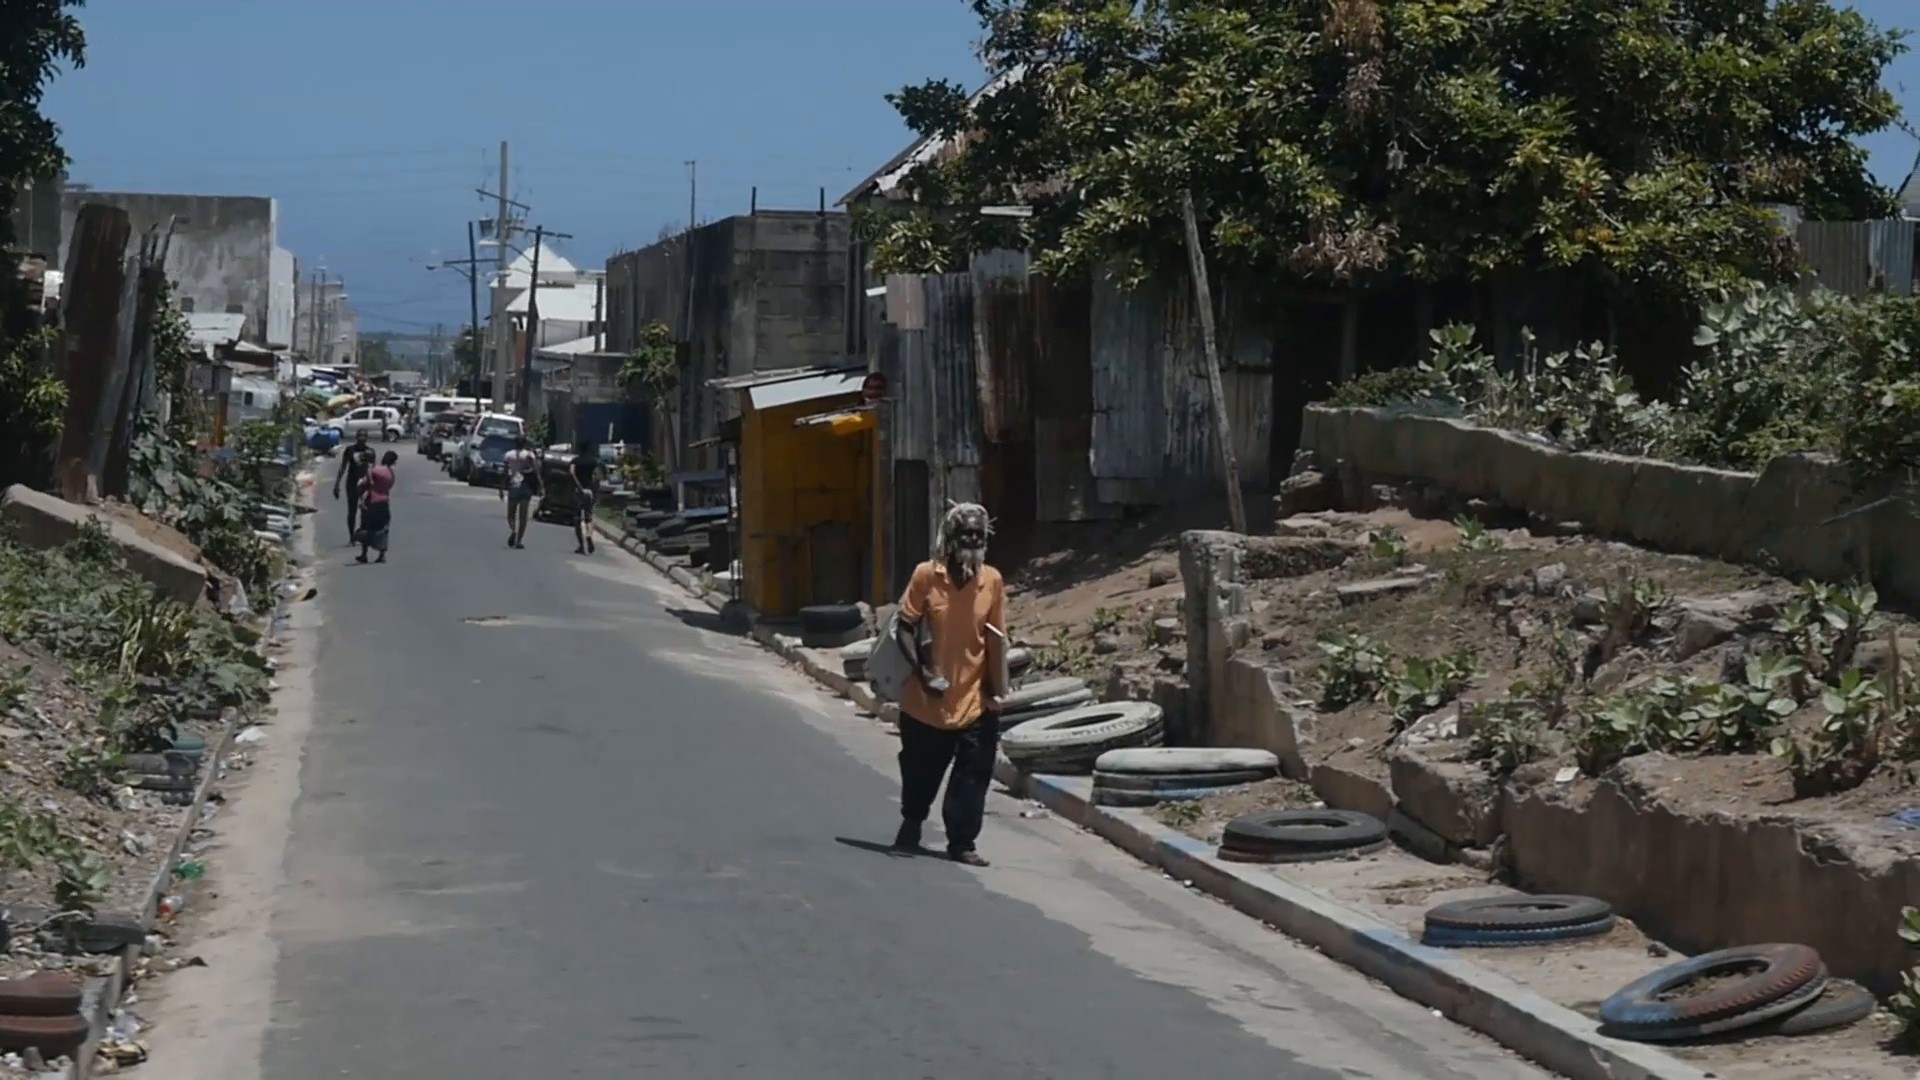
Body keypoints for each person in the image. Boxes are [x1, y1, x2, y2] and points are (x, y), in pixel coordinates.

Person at [889, 502, 1006, 866]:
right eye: (966, 533)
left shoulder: (993, 581)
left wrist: (995, 687)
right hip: (927, 699)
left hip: (973, 699)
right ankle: (911, 824)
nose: (973, 539)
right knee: (920, 772)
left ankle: (962, 843)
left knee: (974, 775)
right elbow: (904, 628)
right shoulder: (927, 575)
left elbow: (997, 638)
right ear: (950, 538)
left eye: (979, 533)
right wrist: (923, 674)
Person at [354, 451, 398, 564]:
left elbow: (363, 484)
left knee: (366, 527)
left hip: (372, 502)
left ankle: (364, 554)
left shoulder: (374, 470)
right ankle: (382, 555)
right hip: (385, 502)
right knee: (383, 529)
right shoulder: (391, 474)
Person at [332, 431, 375, 543]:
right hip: (352, 483)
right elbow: (343, 467)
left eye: (364, 436)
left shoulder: (370, 452)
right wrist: (337, 485)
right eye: (359, 436)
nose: (361, 438)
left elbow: (373, 469)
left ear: (366, 438)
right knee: (352, 511)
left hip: (365, 484)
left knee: (365, 511)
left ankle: (362, 533)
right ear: (356, 438)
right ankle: (352, 536)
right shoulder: (350, 450)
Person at [501, 434, 543, 548]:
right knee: (523, 516)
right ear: (525, 444)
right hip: (526, 487)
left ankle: (513, 531)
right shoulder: (529, 455)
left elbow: (505, 473)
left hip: (514, 485)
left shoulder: (508, 455)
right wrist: (541, 486)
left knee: (511, 514)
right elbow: (536, 471)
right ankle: (519, 540)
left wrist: (501, 488)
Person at [570, 441, 601, 555]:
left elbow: (571, 472)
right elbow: (597, 475)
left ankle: (581, 545)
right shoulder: (593, 461)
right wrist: (596, 488)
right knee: (589, 517)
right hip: (590, 491)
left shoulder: (575, 461)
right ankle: (588, 535)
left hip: (579, 491)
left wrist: (578, 485)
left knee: (577, 519)